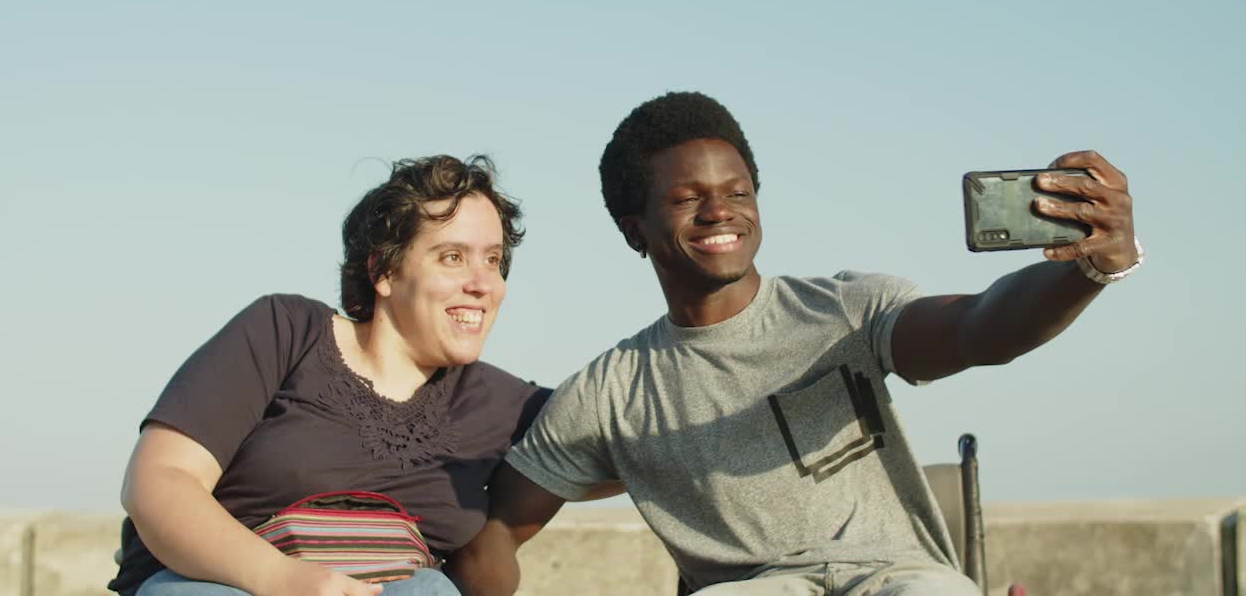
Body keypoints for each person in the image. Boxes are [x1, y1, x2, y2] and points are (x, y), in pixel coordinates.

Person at [447, 92, 1141, 596]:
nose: (721, 211)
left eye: (738, 191)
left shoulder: (843, 311)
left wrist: (1091, 267)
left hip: (898, 581)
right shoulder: (609, 392)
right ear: (636, 229)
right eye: (689, 198)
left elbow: (980, 326)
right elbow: (501, 528)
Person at [109, 155, 551, 596]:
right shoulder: (283, 332)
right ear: (383, 272)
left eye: (493, 260)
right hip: (229, 583)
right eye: (452, 257)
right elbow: (160, 480)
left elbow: (612, 416)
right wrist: (280, 578)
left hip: (395, 588)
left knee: (429, 589)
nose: (483, 283)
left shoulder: (500, 403)